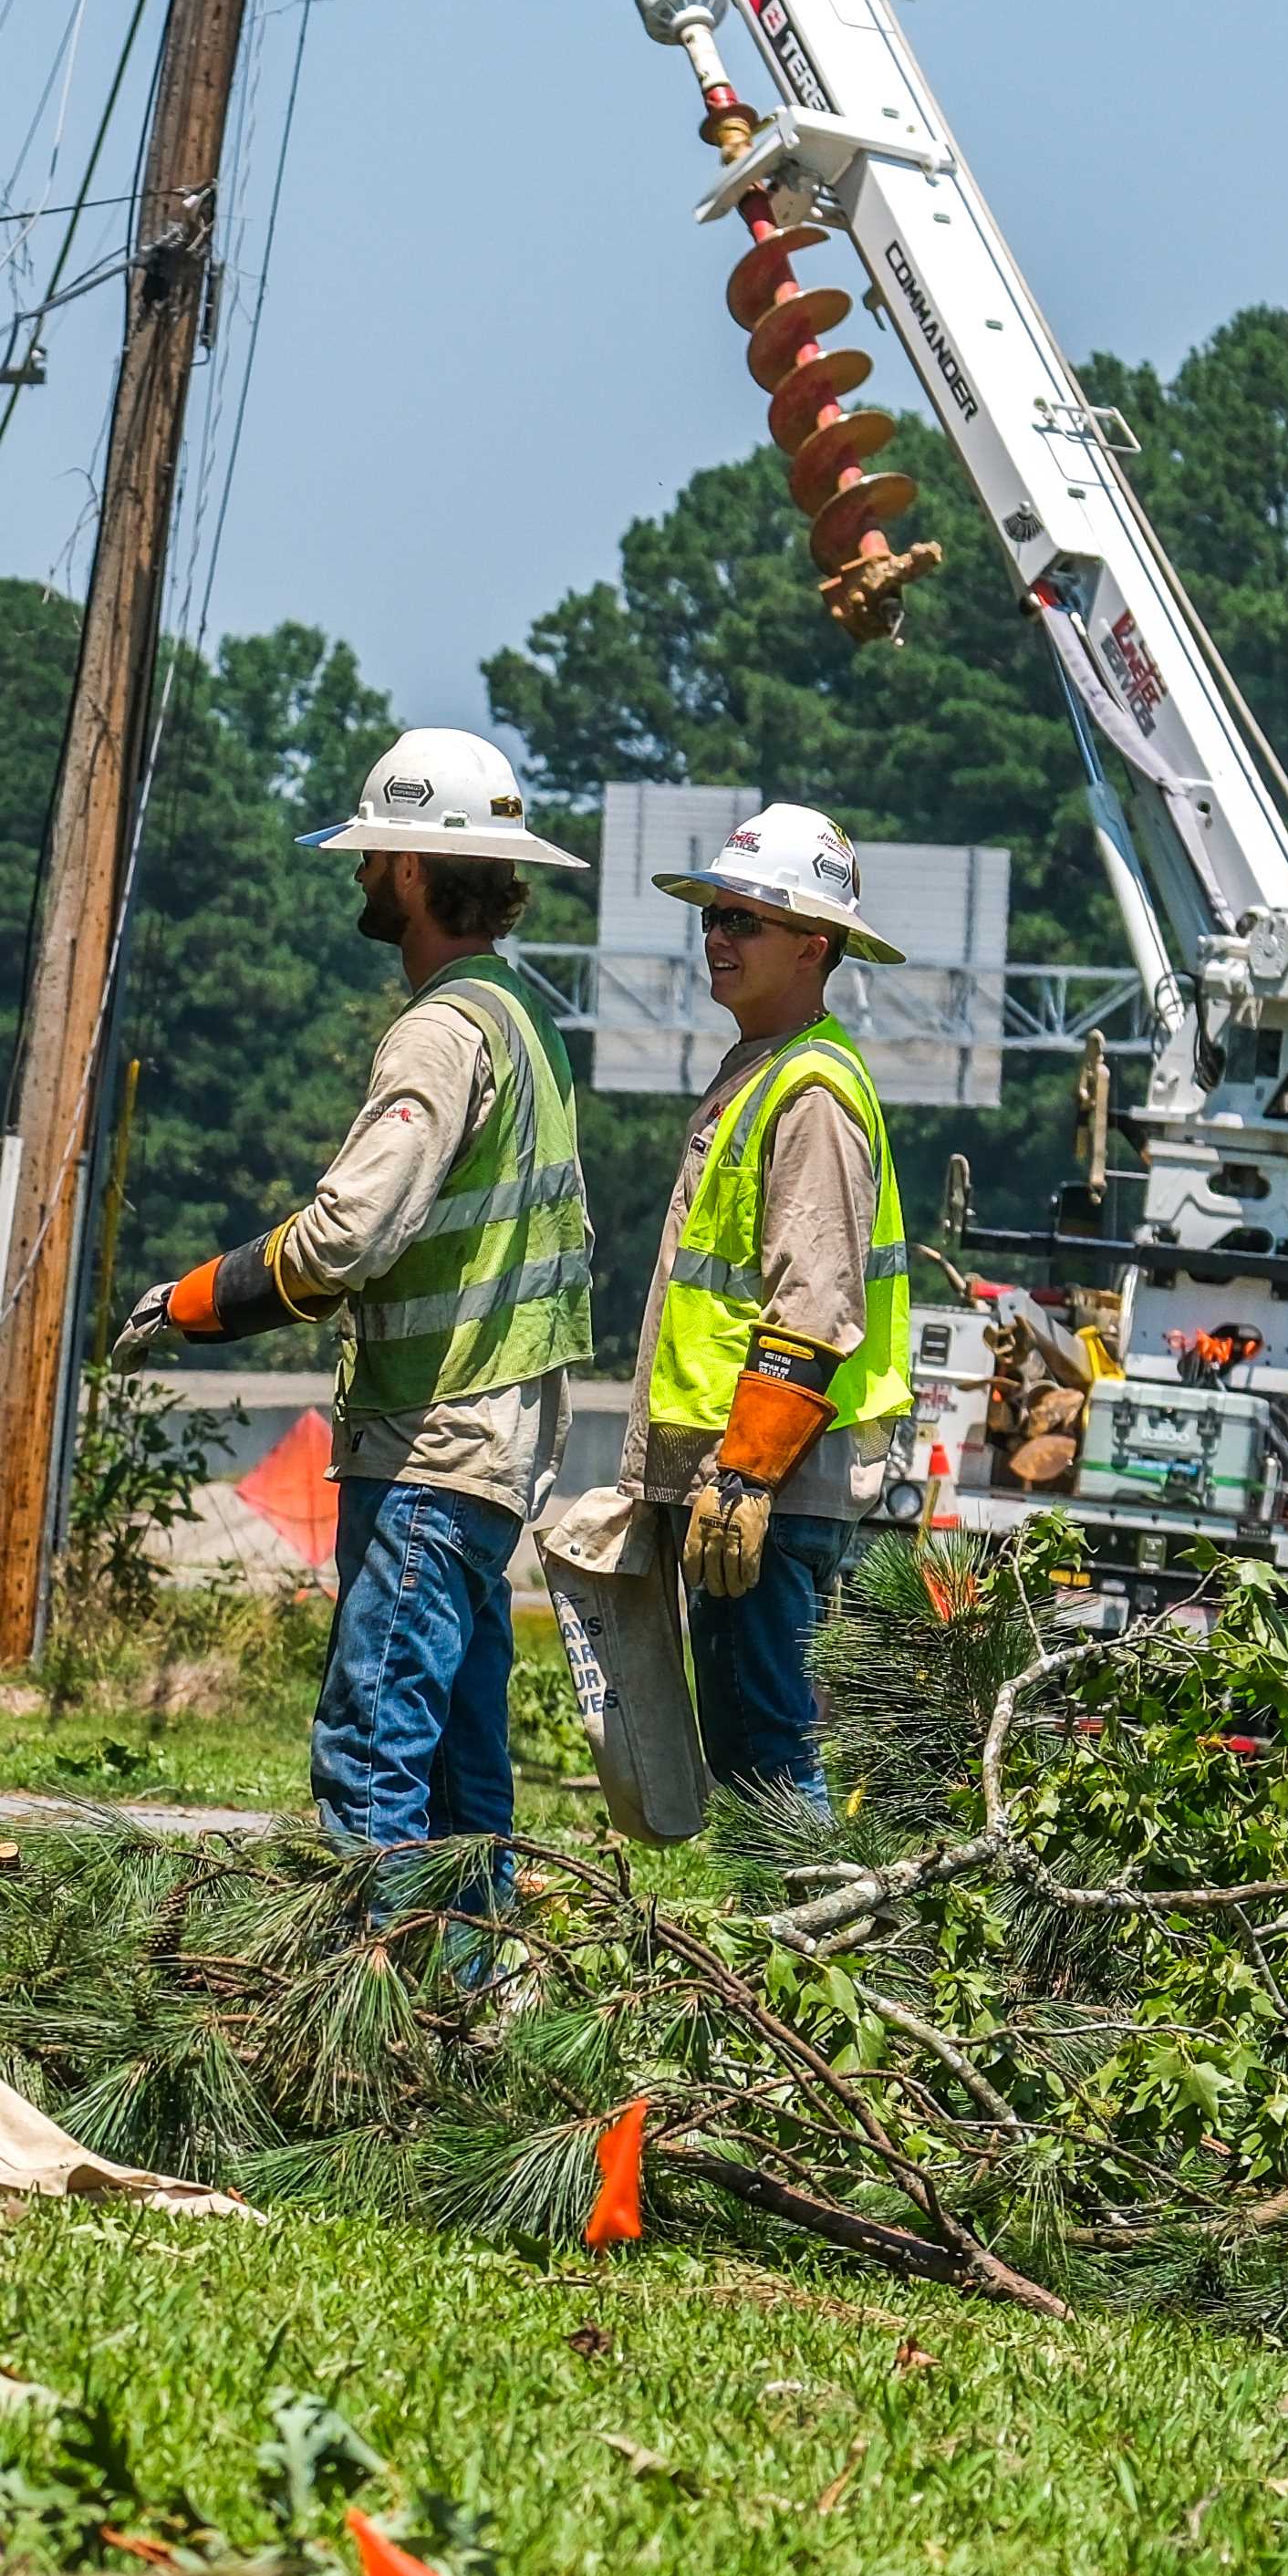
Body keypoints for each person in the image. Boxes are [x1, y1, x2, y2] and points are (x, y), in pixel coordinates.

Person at [131, 728, 593, 1864]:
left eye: (374, 853)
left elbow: (345, 1235)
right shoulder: (523, 1019)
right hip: (493, 1443)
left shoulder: (441, 1032)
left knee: (376, 1746)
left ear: (416, 871)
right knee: (458, 1766)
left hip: (433, 1442)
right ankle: (465, 1996)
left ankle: (367, 2004)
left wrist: (202, 1298)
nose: (360, 873)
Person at [631, 798, 923, 1801]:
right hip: (750, 1480)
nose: (718, 935)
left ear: (815, 943)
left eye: (744, 919)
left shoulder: (809, 1093)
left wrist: (744, 1479)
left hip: (768, 1485)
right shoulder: (761, 1072)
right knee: (761, 1758)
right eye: (712, 915)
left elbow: (815, 1305)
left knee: (770, 1767)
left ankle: (812, 1953)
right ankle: (802, 1950)